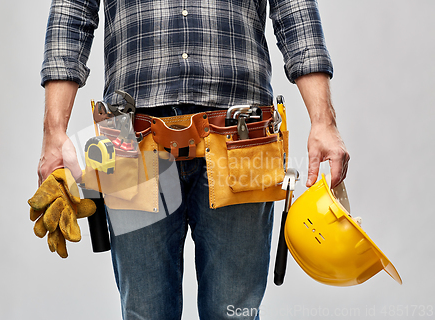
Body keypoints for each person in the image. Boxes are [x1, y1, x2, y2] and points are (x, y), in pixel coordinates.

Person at [37, 0, 349, 319]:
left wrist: (323, 120)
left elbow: (294, 8)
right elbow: (72, 11)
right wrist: (54, 132)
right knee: (145, 313)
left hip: (241, 140)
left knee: (233, 314)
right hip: (129, 142)